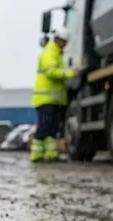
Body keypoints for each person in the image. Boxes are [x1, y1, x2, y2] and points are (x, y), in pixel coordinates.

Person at [31, 27, 80, 162]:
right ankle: (36, 154)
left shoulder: (57, 54)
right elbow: (51, 72)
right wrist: (71, 74)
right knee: (44, 127)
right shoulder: (49, 53)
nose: (65, 44)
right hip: (45, 98)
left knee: (52, 129)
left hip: (55, 99)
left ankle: (50, 153)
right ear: (57, 39)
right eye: (63, 41)